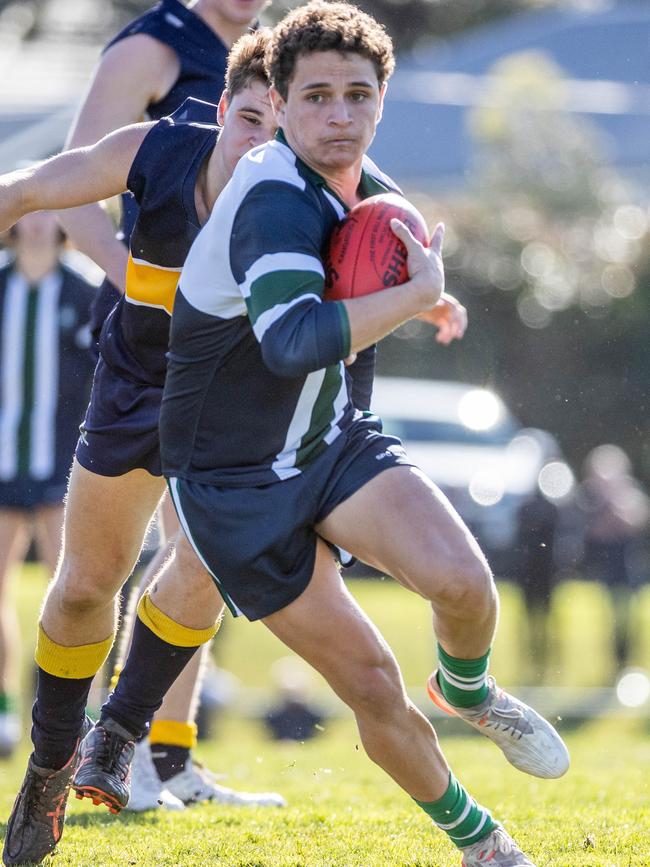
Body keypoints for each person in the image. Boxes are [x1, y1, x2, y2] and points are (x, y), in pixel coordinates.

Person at [69, 5, 569, 865]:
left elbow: (382, 225)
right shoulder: (270, 197)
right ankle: (482, 840)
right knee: (371, 681)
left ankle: (468, 688)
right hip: (234, 479)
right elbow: (293, 341)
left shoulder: (360, 178)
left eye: (358, 96)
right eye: (318, 98)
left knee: (464, 582)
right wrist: (412, 298)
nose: (339, 116)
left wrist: (421, 280)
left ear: (382, 101)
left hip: (325, 439)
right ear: (284, 105)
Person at [1, 31, 286, 867]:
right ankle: (50, 765)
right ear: (220, 107)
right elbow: (25, 190)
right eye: (248, 118)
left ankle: (121, 732)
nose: (260, 142)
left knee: (213, 558)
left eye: (281, 127)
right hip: (135, 387)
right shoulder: (156, 149)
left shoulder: (323, 192)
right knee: (87, 587)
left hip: (233, 400)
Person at [0, 213, 95, 758]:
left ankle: (76, 713)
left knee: (76, 591)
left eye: (47, 209)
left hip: (64, 466)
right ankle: (6, 710)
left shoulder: (84, 289)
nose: (36, 222)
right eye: (26, 209)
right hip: (4, 461)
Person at [577, 444, 649, 675]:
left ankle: (626, 662)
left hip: (628, 565)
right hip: (604, 566)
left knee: (628, 616)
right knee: (609, 617)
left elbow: (636, 522)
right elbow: (593, 532)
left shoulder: (630, 492)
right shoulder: (590, 498)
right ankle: (614, 664)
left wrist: (616, 503)